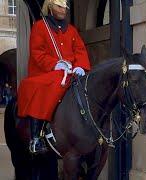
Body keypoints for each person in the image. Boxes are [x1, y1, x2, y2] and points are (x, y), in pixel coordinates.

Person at [17, 0, 91, 154]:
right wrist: (55, 64)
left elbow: (80, 50)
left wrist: (80, 66)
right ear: (50, 7)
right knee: (44, 86)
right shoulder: (39, 27)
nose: (64, 10)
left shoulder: (71, 30)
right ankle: (36, 137)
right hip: (47, 71)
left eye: (65, 7)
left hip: (71, 71)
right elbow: (37, 53)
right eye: (59, 6)